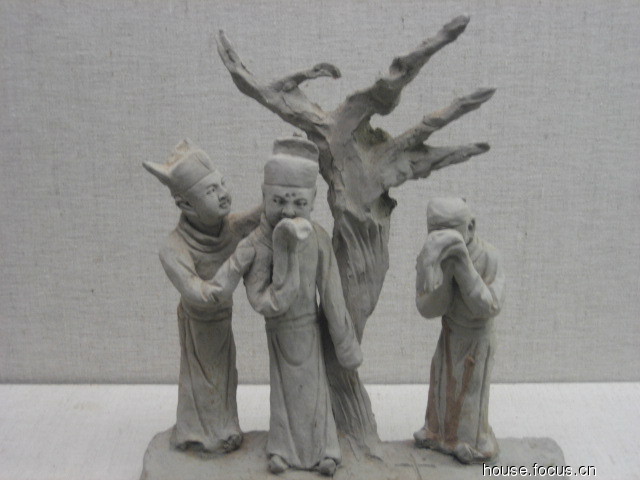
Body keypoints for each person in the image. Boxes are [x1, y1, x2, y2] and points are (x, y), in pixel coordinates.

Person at [205, 137, 363, 476]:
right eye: (278, 201)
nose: (288, 212)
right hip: (279, 334)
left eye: (299, 203)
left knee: (315, 395)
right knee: (283, 397)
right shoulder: (257, 244)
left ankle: (326, 451)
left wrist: (345, 343)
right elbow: (255, 296)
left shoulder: (318, 238)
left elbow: (332, 294)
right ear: (264, 197)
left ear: (313, 201)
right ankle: (280, 451)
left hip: (310, 330)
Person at [143, 139, 260, 453]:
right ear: (186, 205)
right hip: (198, 326)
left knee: (224, 380)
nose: (223, 193)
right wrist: (238, 263)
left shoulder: (230, 227)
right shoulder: (173, 247)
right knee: (201, 383)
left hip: (223, 324)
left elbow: (260, 217)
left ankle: (225, 430)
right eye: (211, 190)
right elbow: (201, 293)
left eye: (222, 183)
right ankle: (196, 436)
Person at [413, 197, 505, 464]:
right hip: (449, 334)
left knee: (469, 392)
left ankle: (474, 443)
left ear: (470, 227)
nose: (442, 240)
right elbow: (428, 309)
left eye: (450, 232)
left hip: (477, 338)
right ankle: (437, 433)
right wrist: (434, 270)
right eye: (436, 232)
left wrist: (463, 265)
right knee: (441, 385)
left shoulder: (489, 257)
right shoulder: (433, 256)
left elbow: (488, 306)